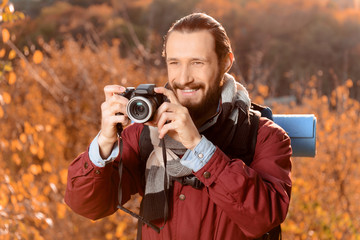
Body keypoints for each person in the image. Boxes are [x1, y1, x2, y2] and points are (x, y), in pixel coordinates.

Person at [65, 13, 292, 240]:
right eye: (174, 63)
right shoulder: (145, 133)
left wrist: (197, 146)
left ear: (226, 62)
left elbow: (265, 217)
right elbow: (87, 206)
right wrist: (104, 143)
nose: (184, 78)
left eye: (197, 63)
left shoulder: (263, 136)